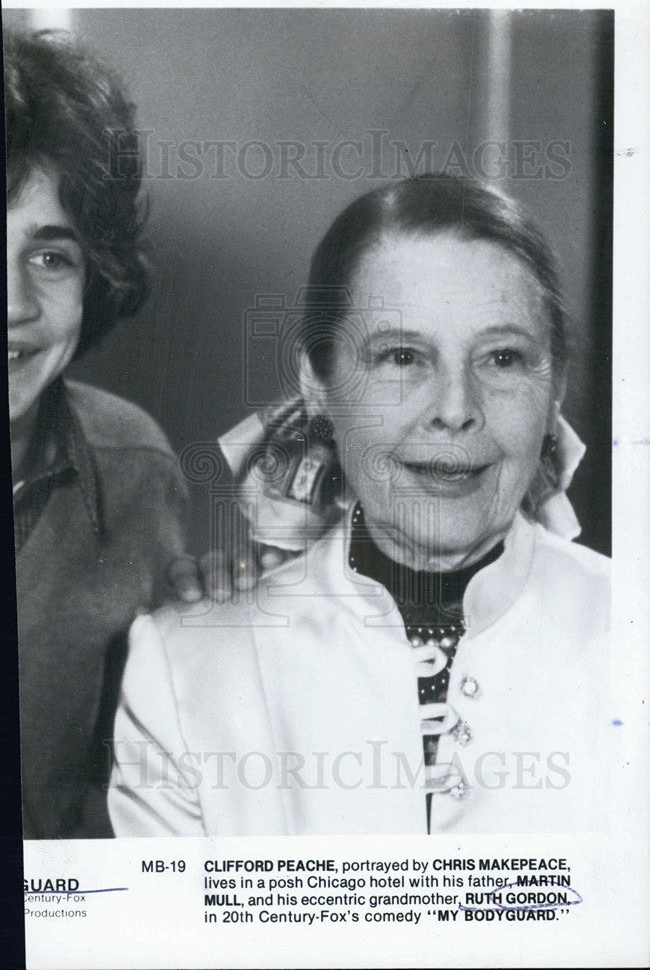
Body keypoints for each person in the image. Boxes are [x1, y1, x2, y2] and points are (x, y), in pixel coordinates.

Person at [109, 174, 611, 836]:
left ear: (555, 392)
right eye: (402, 356)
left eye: (502, 358)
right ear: (318, 384)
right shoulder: (179, 673)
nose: (455, 410)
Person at [6, 28, 219, 838]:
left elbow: (144, 769)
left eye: (50, 257)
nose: (15, 305)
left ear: (96, 274)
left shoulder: (135, 465)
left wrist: (211, 621)